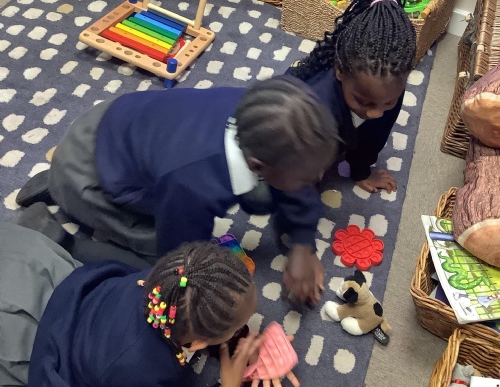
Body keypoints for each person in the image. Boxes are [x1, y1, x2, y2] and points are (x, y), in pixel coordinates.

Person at [16, 76, 340, 304]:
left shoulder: (264, 115)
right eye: (306, 179)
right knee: (162, 266)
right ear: (258, 166)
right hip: (87, 172)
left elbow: (291, 179)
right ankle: (59, 233)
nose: (316, 180)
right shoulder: (194, 184)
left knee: (266, 194)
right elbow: (181, 256)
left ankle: (59, 183)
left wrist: (302, 243)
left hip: (120, 123)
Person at [0, 221, 263, 387]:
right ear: (196, 344)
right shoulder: (140, 372)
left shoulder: (168, 283)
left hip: (75, 292)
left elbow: (202, 308)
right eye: (237, 328)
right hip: (50, 349)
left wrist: (231, 339)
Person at [289, 0, 417, 194]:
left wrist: (361, 170)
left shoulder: (388, 89)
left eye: (388, 102)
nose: (376, 113)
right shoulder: (316, 103)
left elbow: (374, 135)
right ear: (339, 71)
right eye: (363, 101)